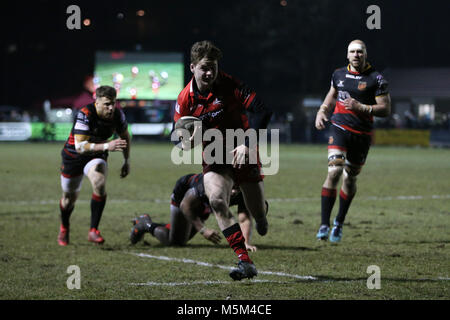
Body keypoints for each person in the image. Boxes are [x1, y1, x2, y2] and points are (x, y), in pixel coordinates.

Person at [173, 40, 272, 280]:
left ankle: (261, 216)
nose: (209, 72)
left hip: (242, 146)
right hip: (215, 152)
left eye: (213, 67)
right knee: (217, 199)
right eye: (204, 67)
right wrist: (188, 140)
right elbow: (177, 136)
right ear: (192, 67)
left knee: (256, 210)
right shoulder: (185, 98)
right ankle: (244, 261)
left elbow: (263, 111)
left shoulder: (230, 84)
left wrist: (247, 143)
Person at [314, 40, 391, 242]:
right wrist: (321, 111)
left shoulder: (377, 78)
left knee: (350, 178)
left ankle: (339, 222)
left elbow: (385, 108)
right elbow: (331, 96)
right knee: (334, 171)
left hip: (362, 135)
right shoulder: (338, 74)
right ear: (347, 55)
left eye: (360, 51)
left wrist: (361, 107)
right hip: (339, 128)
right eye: (352, 51)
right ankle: (324, 224)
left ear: (365, 54)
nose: (356, 54)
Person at [58, 85, 131, 246]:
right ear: (96, 102)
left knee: (99, 181)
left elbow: (125, 136)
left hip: (96, 156)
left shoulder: (117, 115)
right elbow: (80, 147)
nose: (111, 108)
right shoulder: (85, 114)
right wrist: (107, 146)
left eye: (113, 103)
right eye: (107, 104)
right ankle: (64, 227)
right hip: (73, 157)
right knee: (68, 199)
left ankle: (93, 230)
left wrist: (126, 161)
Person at [130, 173, 266, 252]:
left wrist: (245, 242)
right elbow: (186, 205)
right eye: (233, 186)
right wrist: (203, 230)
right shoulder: (208, 186)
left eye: (238, 186)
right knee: (176, 241)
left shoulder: (245, 192)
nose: (234, 191)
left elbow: (244, 218)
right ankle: (145, 223)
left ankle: (147, 222)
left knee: (182, 235)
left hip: (204, 204)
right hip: (184, 196)